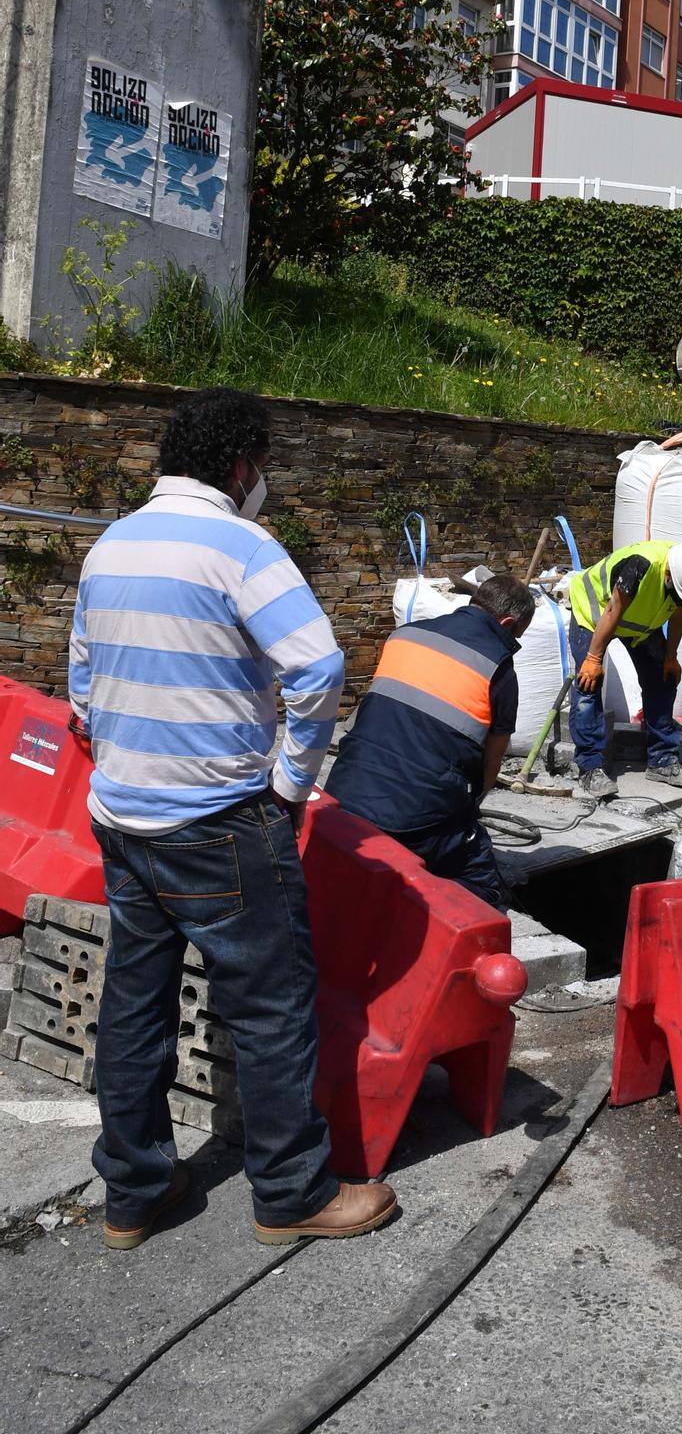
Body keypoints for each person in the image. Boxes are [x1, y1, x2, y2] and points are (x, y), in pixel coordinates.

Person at [68, 388, 396, 1252]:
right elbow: (319, 667)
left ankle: (133, 1192)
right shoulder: (244, 547)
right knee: (269, 1004)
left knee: (135, 999)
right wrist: (291, 784)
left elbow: (80, 682)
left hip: (125, 816)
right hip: (219, 818)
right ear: (242, 467)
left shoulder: (111, 544)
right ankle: (291, 1192)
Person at [327, 575, 536, 910]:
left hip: (343, 793)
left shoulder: (406, 635)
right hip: (414, 819)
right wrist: (466, 811)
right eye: (516, 635)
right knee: (482, 883)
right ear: (508, 623)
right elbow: (491, 764)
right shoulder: (498, 667)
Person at [567, 539, 682, 799]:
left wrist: (671, 656)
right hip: (595, 613)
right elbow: (614, 609)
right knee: (589, 683)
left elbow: (679, 613)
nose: (680, 598)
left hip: (637, 621)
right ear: (668, 573)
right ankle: (590, 766)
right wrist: (593, 658)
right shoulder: (640, 566)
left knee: (663, 677)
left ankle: (662, 760)